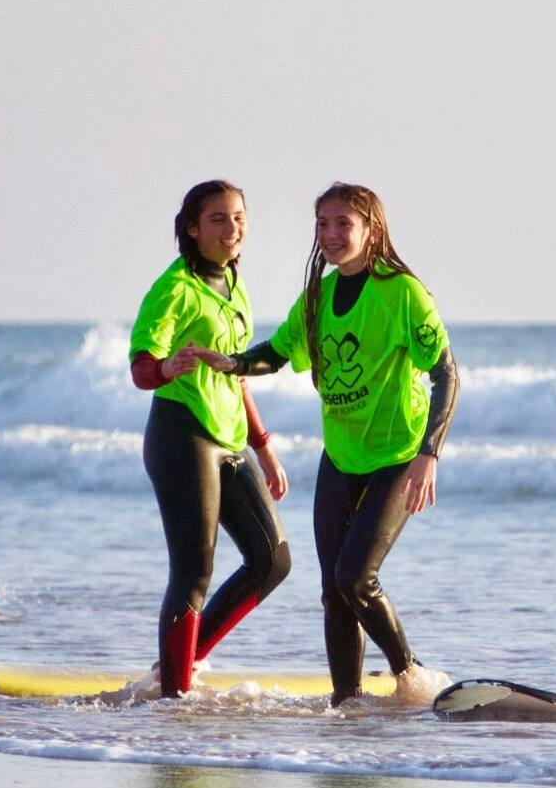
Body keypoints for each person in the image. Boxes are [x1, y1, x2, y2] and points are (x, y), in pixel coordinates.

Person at [194, 182, 459, 705]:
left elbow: (446, 375)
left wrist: (429, 452)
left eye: (344, 224)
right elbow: (279, 350)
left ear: (371, 229)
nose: (332, 235)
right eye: (323, 225)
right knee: (333, 594)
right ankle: (349, 703)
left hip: (396, 454)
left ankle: (411, 675)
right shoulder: (318, 296)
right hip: (340, 456)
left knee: (355, 577)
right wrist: (235, 363)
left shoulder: (403, 293)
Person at [129, 180, 291, 698]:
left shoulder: (234, 285)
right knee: (194, 571)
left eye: (239, 217)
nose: (232, 228)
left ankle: (180, 663)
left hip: (229, 439)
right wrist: (166, 367)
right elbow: (140, 367)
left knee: (272, 560)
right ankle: (175, 701)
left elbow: (235, 374)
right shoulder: (173, 288)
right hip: (181, 435)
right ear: (193, 229)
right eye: (218, 219)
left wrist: (263, 446)